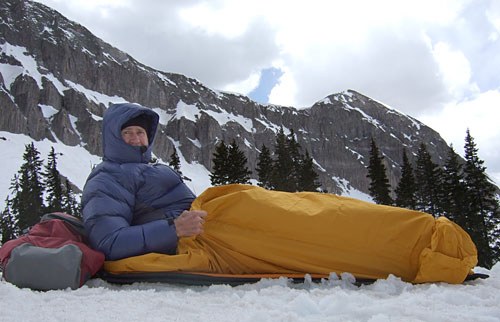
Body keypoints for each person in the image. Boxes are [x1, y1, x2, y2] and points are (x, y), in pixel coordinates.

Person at [82, 103, 206, 260]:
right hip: (188, 244)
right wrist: (174, 229)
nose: (135, 138)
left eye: (140, 132)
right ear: (114, 137)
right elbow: (109, 242)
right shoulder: (106, 179)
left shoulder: (157, 169)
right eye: (127, 132)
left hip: (205, 229)